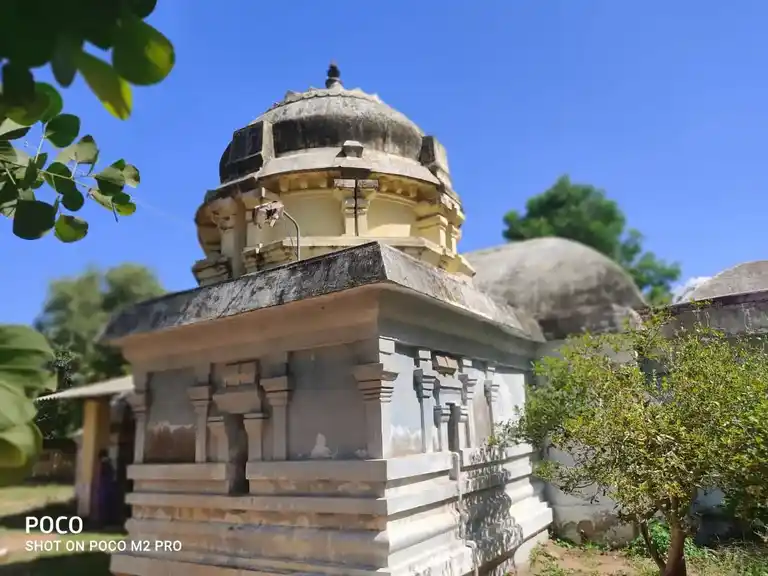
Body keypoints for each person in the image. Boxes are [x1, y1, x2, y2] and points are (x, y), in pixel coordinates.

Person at [96, 450, 115, 527]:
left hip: (105, 487)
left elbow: (104, 477)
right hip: (107, 486)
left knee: (103, 505)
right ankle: (105, 521)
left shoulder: (105, 465)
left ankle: (103, 522)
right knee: (106, 505)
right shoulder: (109, 464)